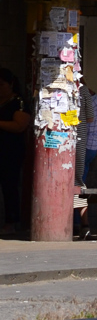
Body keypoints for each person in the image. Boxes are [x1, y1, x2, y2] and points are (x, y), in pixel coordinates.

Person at [0, 68, 30, 234]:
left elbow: (20, 126)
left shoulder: (18, 102)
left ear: (10, 84)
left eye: (1, 84)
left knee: (9, 186)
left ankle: (11, 222)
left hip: (10, 151)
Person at [81, 85, 97, 185]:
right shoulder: (96, 101)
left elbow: (89, 119)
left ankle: (77, 195)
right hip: (92, 146)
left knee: (78, 176)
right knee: (82, 174)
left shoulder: (91, 102)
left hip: (87, 146)